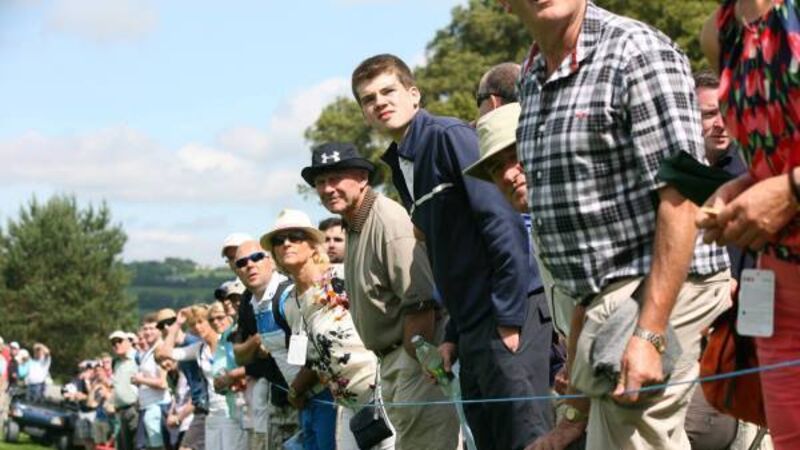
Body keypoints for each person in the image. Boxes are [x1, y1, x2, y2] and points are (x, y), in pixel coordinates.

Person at [500, 1, 732, 449]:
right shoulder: (530, 77)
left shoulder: (636, 50)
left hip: (664, 289)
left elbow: (684, 193)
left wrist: (649, 333)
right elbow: (589, 253)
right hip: (602, 306)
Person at [352, 53, 553, 449]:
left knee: (528, 438)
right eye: (369, 99)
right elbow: (449, 257)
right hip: (473, 327)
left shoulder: (448, 137)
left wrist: (510, 318)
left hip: (510, 313)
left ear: (414, 94)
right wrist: (454, 336)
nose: (380, 102)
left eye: (389, 91)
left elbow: (503, 222)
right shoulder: (401, 164)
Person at [303, 142, 460, 449]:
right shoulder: (354, 223)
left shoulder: (387, 220)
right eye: (320, 181)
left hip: (415, 356)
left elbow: (421, 300)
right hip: (393, 359)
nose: (328, 188)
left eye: (336, 178)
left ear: (362, 178)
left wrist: (417, 363)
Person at [698, 1, 800, 448]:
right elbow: (776, 152)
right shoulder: (720, 33)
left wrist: (790, 190)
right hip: (779, 293)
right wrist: (742, 187)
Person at [260, 209, 394, 450]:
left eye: (295, 236)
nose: (286, 243)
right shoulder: (289, 303)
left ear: (313, 245)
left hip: (382, 393)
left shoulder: (342, 278)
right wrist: (296, 390)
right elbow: (311, 357)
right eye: (279, 241)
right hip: (345, 405)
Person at [230, 242, 315, 450]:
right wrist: (257, 342)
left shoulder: (288, 294)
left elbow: (314, 351)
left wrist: (296, 390)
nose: (250, 265)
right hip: (284, 398)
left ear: (271, 261)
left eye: (257, 257)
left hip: (315, 396)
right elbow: (239, 356)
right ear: (236, 271)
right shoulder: (249, 302)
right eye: (241, 262)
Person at [160, 305, 247, 450]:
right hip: (212, 413)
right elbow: (165, 353)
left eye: (201, 322)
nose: (197, 327)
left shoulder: (227, 343)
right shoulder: (199, 349)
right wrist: (177, 324)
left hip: (234, 410)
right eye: (193, 324)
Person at [134, 313, 172, 450]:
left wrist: (140, 379)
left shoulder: (160, 350)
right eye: (145, 329)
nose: (148, 332)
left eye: (152, 328)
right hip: (147, 406)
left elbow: (162, 383)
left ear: (159, 330)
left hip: (158, 407)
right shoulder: (149, 351)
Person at [109, 330, 140, 450]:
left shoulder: (137, 357)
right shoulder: (116, 362)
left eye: (119, 341)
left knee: (137, 445)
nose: (117, 345)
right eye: (113, 343)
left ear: (128, 342)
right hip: (120, 410)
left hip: (135, 408)